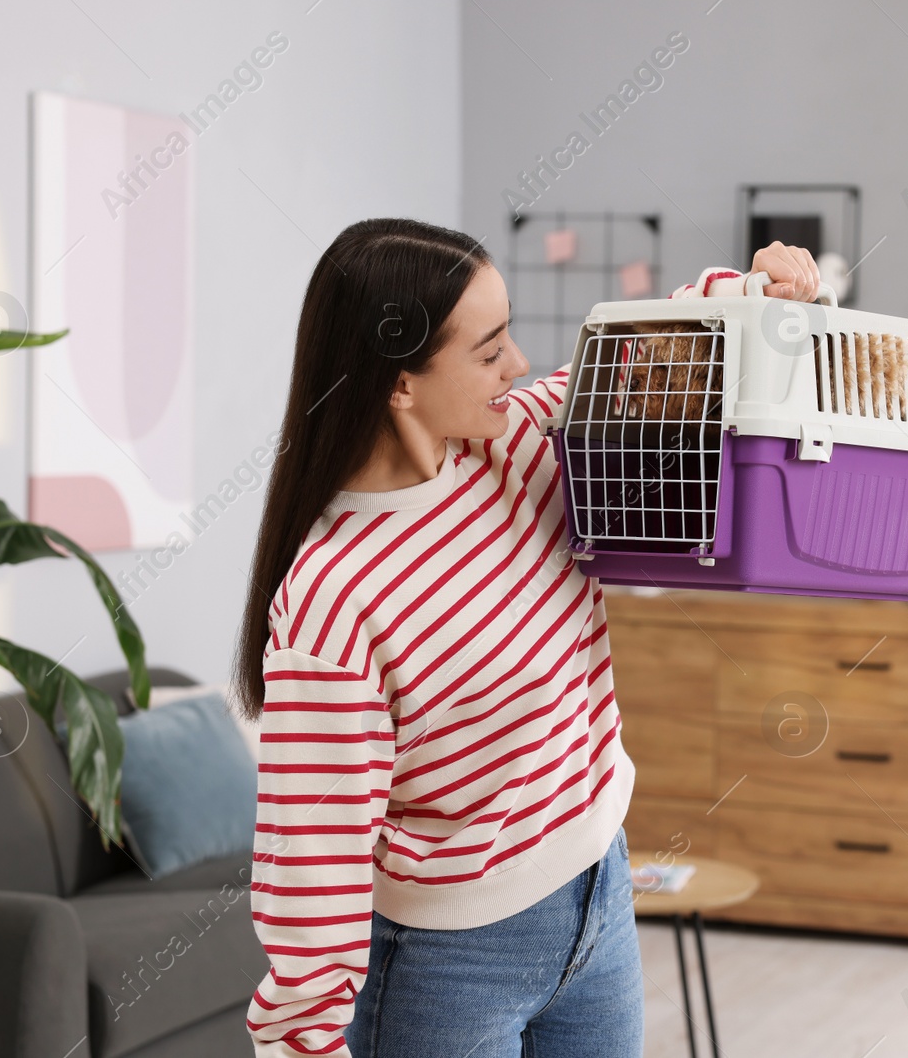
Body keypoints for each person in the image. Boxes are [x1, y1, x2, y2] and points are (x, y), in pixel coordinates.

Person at [234, 217, 821, 1057]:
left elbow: (641, 353)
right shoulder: (333, 597)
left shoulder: (515, 445)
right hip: (448, 969)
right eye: (489, 349)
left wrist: (757, 290)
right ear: (400, 384)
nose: (517, 365)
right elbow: (313, 869)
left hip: (600, 900)